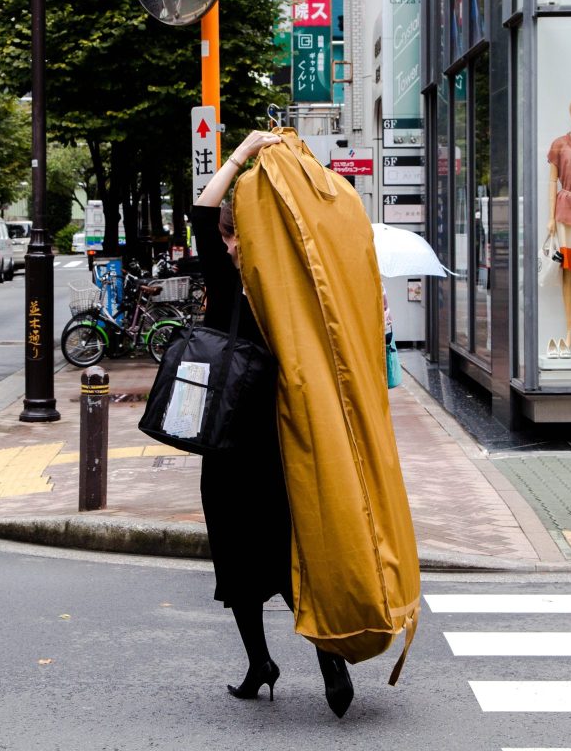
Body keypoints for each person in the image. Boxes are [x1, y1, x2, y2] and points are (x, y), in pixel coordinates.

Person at [192, 129, 355, 718]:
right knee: (264, 555)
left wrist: (243, 154)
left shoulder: (247, 282)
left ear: (237, 236)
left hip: (241, 439)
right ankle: (293, 659)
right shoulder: (286, 286)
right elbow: (205, 213)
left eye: (231, 236)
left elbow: (204, 209)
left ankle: (295, 656)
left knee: (259, 555)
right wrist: (263, 158)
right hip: (264, 438)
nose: (229, 244)